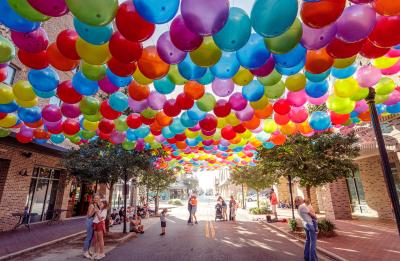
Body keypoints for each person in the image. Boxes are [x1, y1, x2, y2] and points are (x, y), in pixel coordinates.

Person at [295, 196, 318, 261]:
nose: (303, 199)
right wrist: (315, 217)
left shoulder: (299, 207)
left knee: (308, 241)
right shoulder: (302, 206)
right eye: (301, 198)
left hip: (305, 224)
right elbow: (312, 215)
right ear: (298, 200)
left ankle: (306, 257)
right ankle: (313, 259)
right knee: (313, 243)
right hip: (310, 225)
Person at [83, 194, 100, 259]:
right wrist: (94, 211)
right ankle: (85, 252)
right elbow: (89, 215)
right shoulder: (91, 205)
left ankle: (88, 250)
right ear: (93, 199)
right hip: (90, 221)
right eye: (95, 198)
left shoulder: (97, 205)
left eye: (97, 198)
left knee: (92, 237)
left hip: (94, 222)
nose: (96, 199)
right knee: (89, 237)